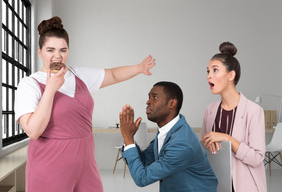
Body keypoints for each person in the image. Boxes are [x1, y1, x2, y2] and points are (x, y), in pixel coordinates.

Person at [14, 16, 156, 192]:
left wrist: (139, 68)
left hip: (86, 165)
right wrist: (50, 89)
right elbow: (33, 131)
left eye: (63, 50)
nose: (57, 55)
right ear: (39, 52)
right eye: (50, 50)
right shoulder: (30, 84)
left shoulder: (77, 74)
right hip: (50, 166)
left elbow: (111, 75)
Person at [119, 81, 218, 192]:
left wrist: (128, 138)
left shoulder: (182, 143)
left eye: (155, 97)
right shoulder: (166, 132)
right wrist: (129, 138)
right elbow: (145, 161)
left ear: (172, 103)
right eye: (149, 97)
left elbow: (142, 178)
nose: (148, 102)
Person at [201, 42, 267, 192]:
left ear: (231, 75)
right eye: (207, 71)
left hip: (245, 186)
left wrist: (228, 139)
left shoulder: (254, 111)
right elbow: (204, 153)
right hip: (215, 185)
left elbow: (257, 158)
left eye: (215, 70)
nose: (209, 76)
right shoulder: (209, 111)